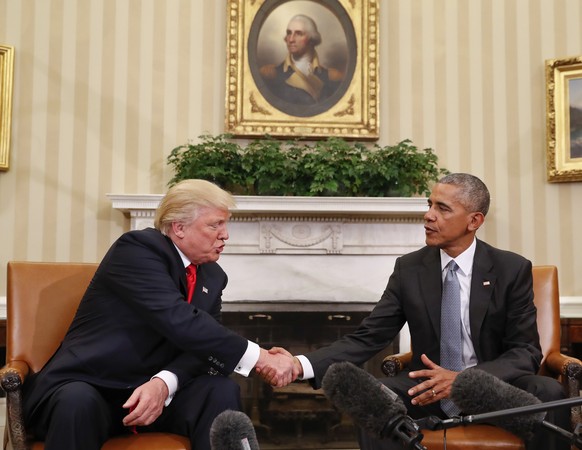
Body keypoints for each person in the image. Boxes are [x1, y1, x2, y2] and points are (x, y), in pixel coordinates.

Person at [261, 173, 570, 450]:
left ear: (474, 221)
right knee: (374, 398)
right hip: (427, 391)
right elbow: (368, 337)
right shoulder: (410, 269)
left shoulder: (510, 269)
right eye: (429, 204)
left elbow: (525, 352)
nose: (428, 216)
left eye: (442, 209)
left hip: (494, 388)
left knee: (547, 390)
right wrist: (301, 365)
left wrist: (464, 379)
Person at [22, 179, 295, 450]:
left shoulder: (213, 276)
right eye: (215, 225)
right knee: (77, 400)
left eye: (225, 224)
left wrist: (164, 383)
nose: (225, 235)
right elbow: (180, 320)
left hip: (156, 397)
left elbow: (201, 348)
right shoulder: (138, 249)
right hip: (93, 385)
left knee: (220, 390)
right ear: (179, 228)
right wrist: (260, 357)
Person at [259, 14, 343, 105]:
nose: (291, 39)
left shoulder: (332, 77)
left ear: (311, 39)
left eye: (298, 34)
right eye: (289, 33)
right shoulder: (270, 75)